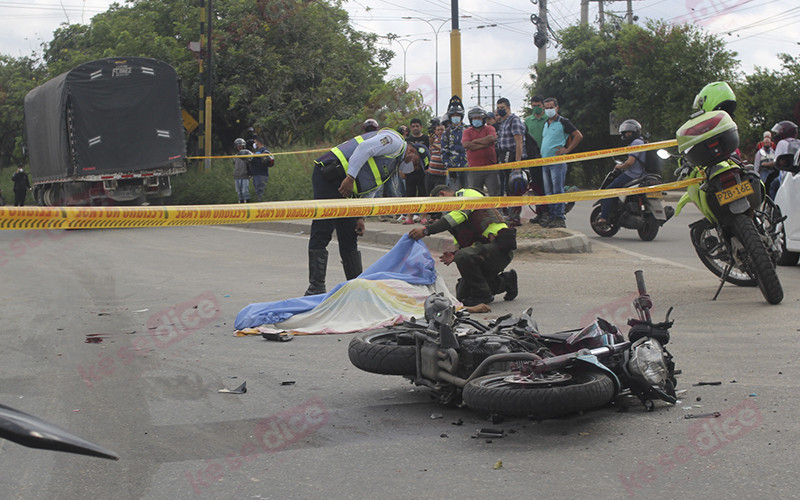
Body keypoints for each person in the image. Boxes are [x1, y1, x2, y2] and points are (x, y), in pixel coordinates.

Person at [305, 128, 425, 295]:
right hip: (331, 173)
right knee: (323, 228)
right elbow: (364, 148)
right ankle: (316, 288)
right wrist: (351, 177)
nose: (413, 166)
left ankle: (356, 290)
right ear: (411, 150)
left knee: (349, 235)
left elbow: (373, 186)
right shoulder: (394, 142)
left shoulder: (393, 163)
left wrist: (360, 216)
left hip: (347, 186)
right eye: (416, 162)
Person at [408, 185, 518, 307]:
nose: (442, 210)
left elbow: (458, 216)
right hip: (483, 253)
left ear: (443, 195)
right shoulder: (453, 214)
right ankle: (507, 282)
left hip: (499, 248)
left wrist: (426, 231)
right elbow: (461, 244)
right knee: (463, 295)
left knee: (463, 256)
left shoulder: (467, 194)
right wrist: (454, 255)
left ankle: (483, 296)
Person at [539, 97, 583, 228]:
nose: (548, 110)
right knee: (548, 191)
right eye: (546, 108)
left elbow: (578, 135)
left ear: (557, 108)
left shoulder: (563, 122)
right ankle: (552, 216)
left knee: (557, 190)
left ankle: (559, 217)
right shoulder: (546, 123)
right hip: (544, 162)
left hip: (557, 162)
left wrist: (567, 150)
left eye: (550, 107)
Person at [595, 119, 647, 227]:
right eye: (625, 133)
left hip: (632, 175)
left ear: (634, 133)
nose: (626, 135)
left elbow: (630, 162)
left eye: (628, 133)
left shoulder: (635, 143)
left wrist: (620, 166)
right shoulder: (644, 142)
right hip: (644, 175)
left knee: (609, 190)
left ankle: (603, 218)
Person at [494, 98, 527, 225]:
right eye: (498, 107)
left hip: (513, 156)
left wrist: (517, 162)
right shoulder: (503, 122)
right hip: (504, 157)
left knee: (515, 187)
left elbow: (519, 142)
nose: (500, 110)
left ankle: (515, 216)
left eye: (502, 107)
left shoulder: (514, 120)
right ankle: (511, 214)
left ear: (508, 107)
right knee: (508, 187)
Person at [462, 106, 499, 195]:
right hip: (474, 169)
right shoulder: (467, 131)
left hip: (491, 168)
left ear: (483, 119)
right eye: (474, 118)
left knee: (494, 194)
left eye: (479, 118)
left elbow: (491, 138)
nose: (477, 120)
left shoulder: (489, 128)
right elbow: (466, 144)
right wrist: (485, 144)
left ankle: (495, 209)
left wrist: (475, 142)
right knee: (475, 194)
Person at [525, 95, 549, 225]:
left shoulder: (549, 119)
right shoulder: (528, 121)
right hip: (533, 159)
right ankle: (539, 212)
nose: (536, 108)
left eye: (538, 106)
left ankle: (550, 213)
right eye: (533, 106)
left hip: (547, 157)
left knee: (547, 186)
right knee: (536, 186)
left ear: (543, 106)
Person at [769, 120, 799, 200]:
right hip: (795, 174)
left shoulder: (782, 143)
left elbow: (777, 161)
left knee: (772, 186)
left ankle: (774, 207)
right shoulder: (797, 142)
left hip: (785, 176)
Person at [442, 103, 468, 190]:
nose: (456, 117)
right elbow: (444, 152)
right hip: (453, 169)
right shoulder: (447, 133)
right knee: (454, 194)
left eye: (458, 115)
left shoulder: (468, 130)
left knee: (469, 193)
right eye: (453, 115)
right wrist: (449, 167)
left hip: (468, 168)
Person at [250, 136, 274, 202]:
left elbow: (267, 155)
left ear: (258, 142)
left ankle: (261, 205)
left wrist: (255, 154)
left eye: (255, 142)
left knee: (260, 191)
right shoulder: (257, 151)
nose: (254, 144)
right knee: (257, 191)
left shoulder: (264, 150)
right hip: (255, 174)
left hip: (261, 174)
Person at [426, 122, 448, 195]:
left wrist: (433, 145)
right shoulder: (433, 140)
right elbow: (431, 153)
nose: (440, 131)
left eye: (442, 129)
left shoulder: (447, 141)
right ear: (435, 131)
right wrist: (431, 144)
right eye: (438, 130)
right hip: (431, 172)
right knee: (429, 194)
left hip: (441, 174)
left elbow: (444, 151)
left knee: (438, 194)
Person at [232, 138, 252, 203]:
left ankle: (248, 203)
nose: (240, 147)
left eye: (241, 146)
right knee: (239, 192)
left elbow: (251, 162)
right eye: (238, 146)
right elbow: (234, 165)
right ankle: (241, 203)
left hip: (245, 175)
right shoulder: (235, 156)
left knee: (245, 191)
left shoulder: (248, 154)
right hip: (237, 176)